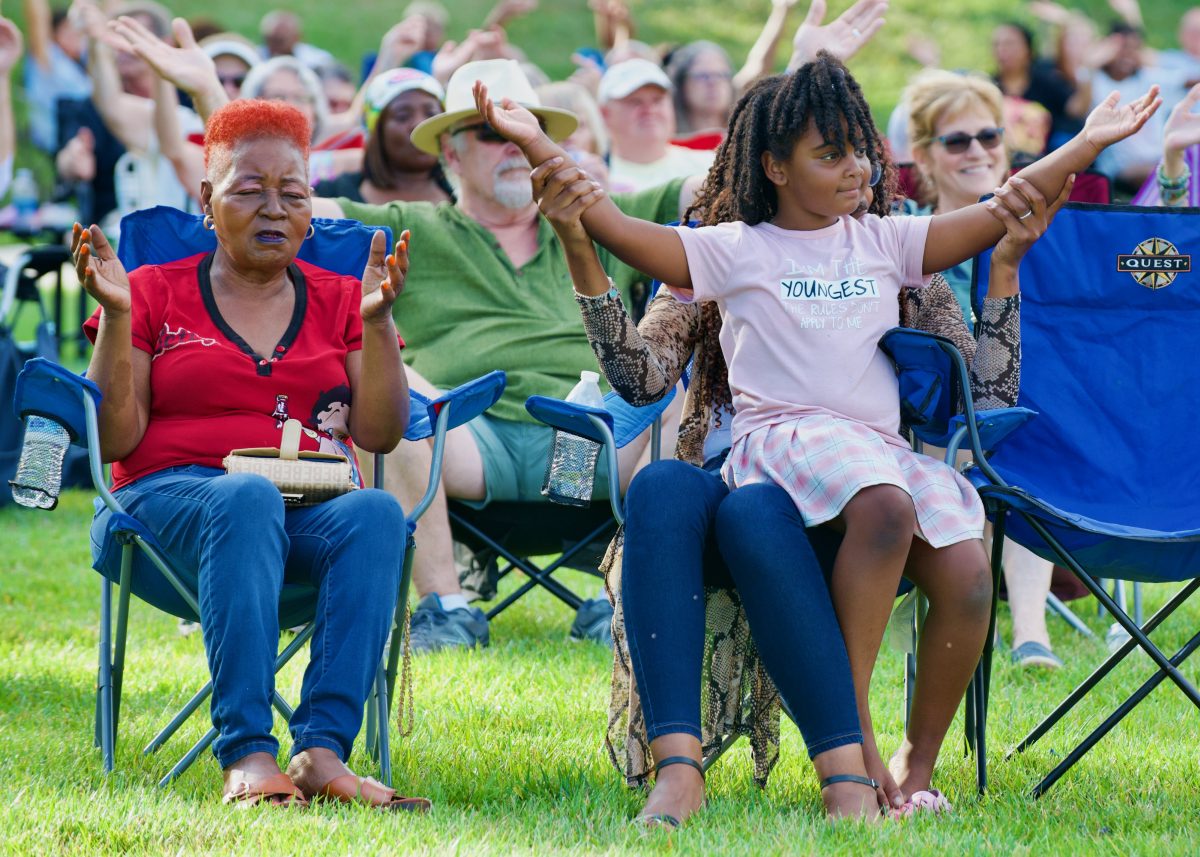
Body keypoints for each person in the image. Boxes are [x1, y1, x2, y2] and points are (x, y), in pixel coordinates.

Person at [473, 52, 1158, 815]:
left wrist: (1089, 142)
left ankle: (915, 765)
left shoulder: (885, 241)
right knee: (886, 503)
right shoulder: (733, 249)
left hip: (874, 451)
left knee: (968, 571)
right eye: (829, 154)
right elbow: (606, 219)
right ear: (773, 165)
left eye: (859, 148)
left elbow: (1008, 205)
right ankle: (852, 742)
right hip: (785, 449)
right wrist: (537, 142)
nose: (856, 166)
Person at [74, 97, 425, 810]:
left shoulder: (339, 297)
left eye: (292, 193)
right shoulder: (147, 292)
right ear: (207, 200)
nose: (273, 208)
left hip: (304, 511)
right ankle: (247, 751)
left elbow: (381, 434)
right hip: (162, 510)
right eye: (248, 189)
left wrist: (379, 324)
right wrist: (113, 318)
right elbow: (114, 441)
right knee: (245, 495)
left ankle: (322, 751)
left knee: (378, 512)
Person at [313, 59, 694, 653]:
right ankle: (446, 608)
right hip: (461, 437)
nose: (514, 145)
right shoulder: (408, 225)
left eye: (527, 128)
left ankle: (621, 592)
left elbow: (711, 187)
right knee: (375, 371)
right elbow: (284, 207)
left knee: (675, 387)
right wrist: (210, 96)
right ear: (451, 155)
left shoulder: (596, 222)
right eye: (493, 133)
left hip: (587, 442)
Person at [904, 68, 1066, 669]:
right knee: (989, 443)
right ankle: (983, 625)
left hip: (1025, 415)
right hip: (927, 426)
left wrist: (1175, 162)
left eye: (989, 136)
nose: (978, 150)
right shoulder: (906, 236)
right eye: (957, 140)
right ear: (924, 155)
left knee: (1027, 436)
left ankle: (1030, 633)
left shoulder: (1041, 238)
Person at [314, 68, 453, 205]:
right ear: (376, 130)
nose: (420, 124)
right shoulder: (328, 198)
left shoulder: (463, 199)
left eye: (431, 114)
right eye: (403, 116)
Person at [597, 58, 714, 192]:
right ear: (605, 114)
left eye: (657, 100)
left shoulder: (709, 165)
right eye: (635, 102)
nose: (649, 110)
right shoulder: (594, 179)